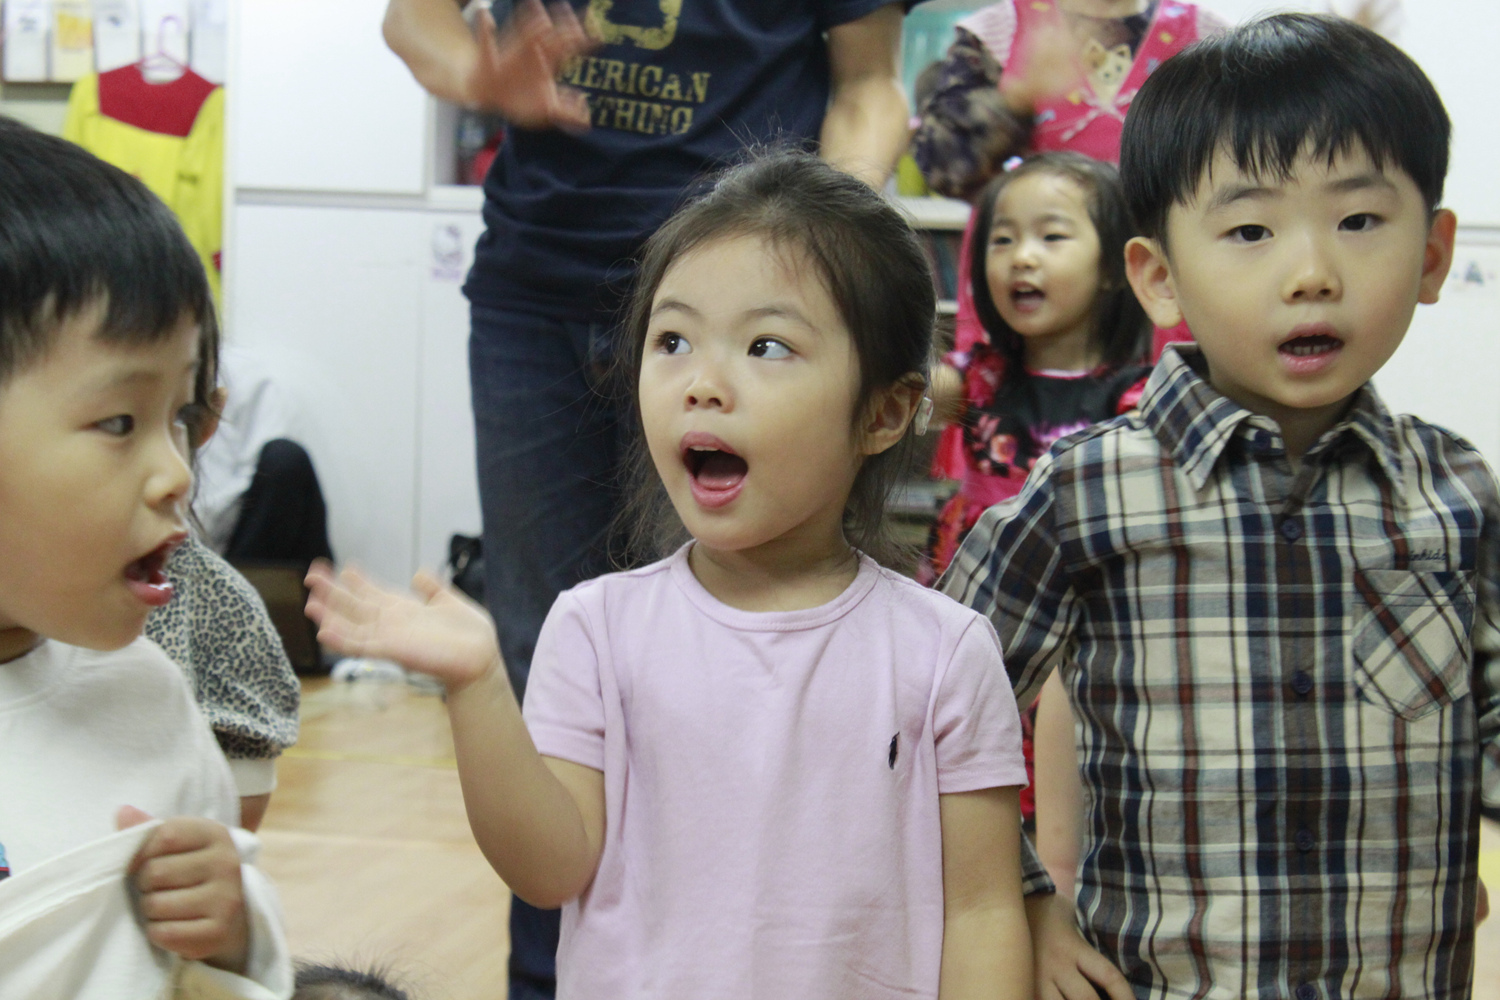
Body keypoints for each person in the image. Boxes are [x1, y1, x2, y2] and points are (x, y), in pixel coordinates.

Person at [306, 151, 1033, 999]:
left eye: (766, 346)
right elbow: (549, 869)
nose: (702, 384)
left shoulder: (943, 652)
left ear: (884, 411)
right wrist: (476, 686)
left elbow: (982, 910)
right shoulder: (597, 628)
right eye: (673, 340)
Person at [941, 14, 1497, 998]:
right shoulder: (1086, 494)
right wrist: (1025, 897)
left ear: (1432, 254)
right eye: (1250, 231)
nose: (1312, 274)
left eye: (1359, 221)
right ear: (1159, 279)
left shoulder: (1456, 493)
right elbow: (932, 713)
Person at [381, 3, 914, 994]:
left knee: (738, 654)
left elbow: (869, 85)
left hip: (742, 298)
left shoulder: (941, 653)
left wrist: (814, 254)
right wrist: (475, 76)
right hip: (536, 286)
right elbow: (412, 21)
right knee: (547, 668)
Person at [0, 117, 292, 994]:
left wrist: (234, 929)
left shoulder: (151, 698)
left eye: (181, 418)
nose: (177, 474)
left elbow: (209, 972)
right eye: (120, 421)